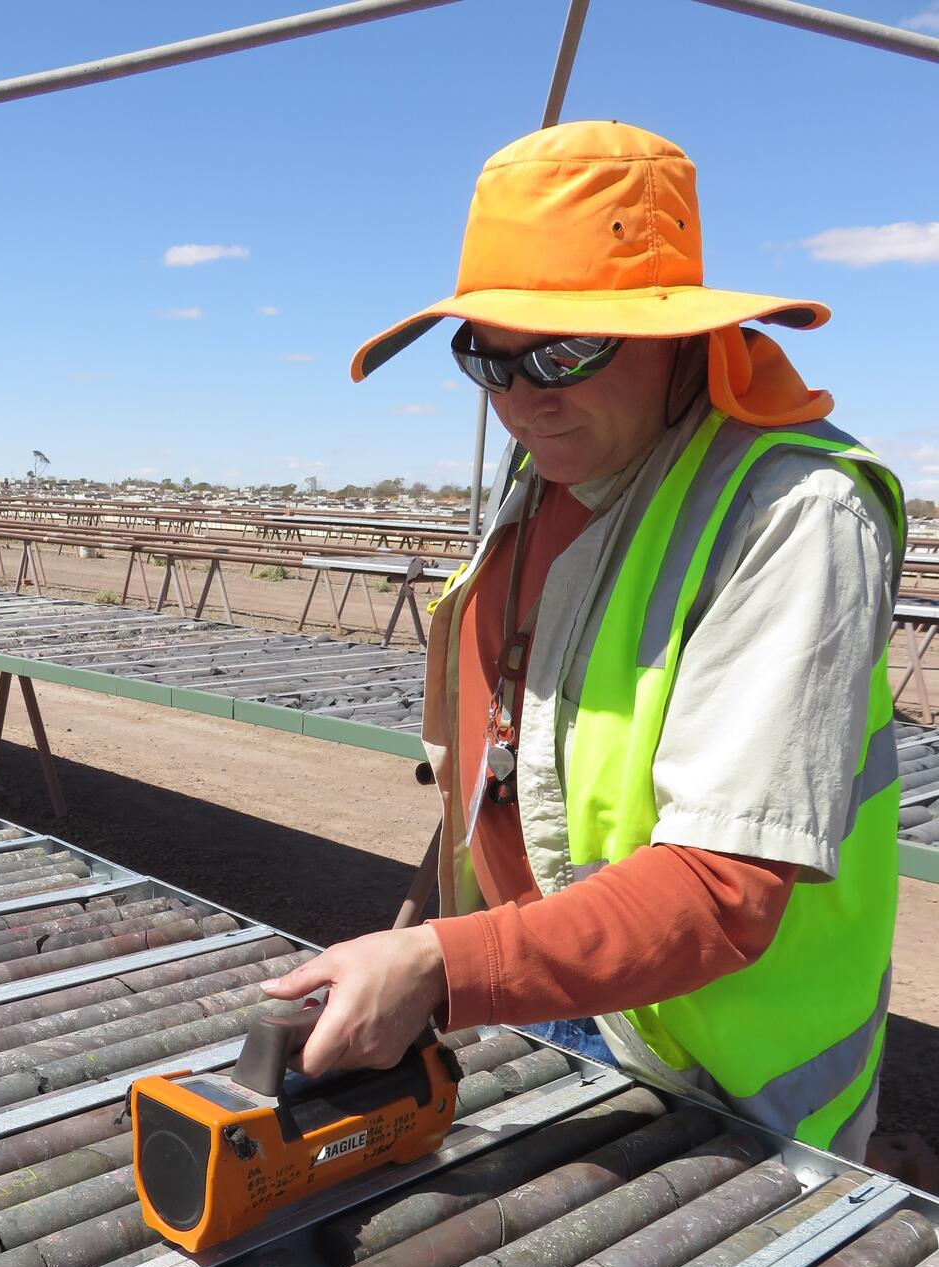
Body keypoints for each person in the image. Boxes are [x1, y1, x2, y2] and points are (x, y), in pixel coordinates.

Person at [264, 120, 905, 1161]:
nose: (525, 398)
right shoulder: (564, 461)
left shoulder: (795, 511)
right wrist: (440, 928)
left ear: (678, 334)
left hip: (716, 1080)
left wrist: (443, 961)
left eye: (564, 350)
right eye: (490, 359)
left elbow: (720, 888)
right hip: (550, 995)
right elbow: (501, 758)